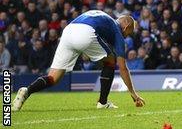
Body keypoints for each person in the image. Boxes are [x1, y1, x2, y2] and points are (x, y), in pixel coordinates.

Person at [12, 10, 145, 111]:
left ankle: (26, 91)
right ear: (126, 26)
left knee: (53, 77)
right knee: (110, 61)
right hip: (85, 32)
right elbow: (122, 68)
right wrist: (133, 94)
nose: (128, 35)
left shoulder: (102, 15)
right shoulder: (117, 32)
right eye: (130, 32)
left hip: (68, 31)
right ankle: (103, 103)